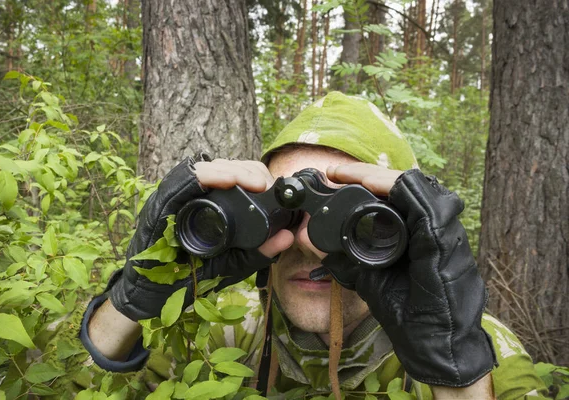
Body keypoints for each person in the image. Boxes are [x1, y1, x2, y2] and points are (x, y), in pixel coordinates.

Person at [79, 92, 548, 399]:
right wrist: (133, 303)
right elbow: (59, 385)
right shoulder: (224, 329)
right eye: (284, 210)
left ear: (409, 227)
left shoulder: (481, 350)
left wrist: (454, 373)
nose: (308, 242)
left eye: (353, 219)